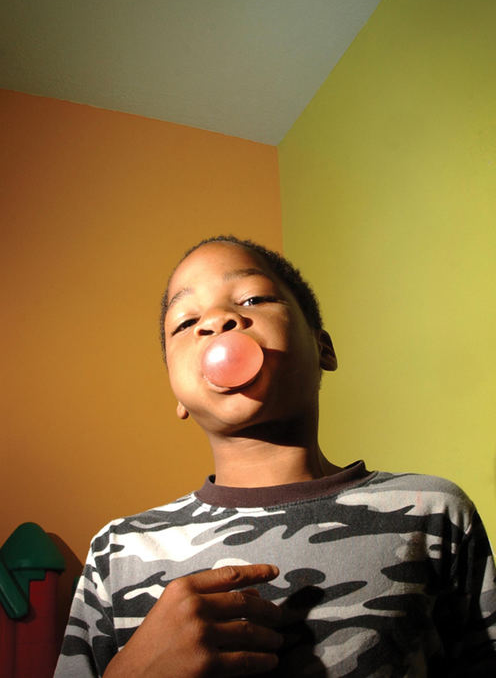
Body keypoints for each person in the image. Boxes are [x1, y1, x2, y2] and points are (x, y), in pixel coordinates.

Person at [55, 236, 496, 677]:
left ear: (323, 347)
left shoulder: (433, 511)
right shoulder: (118, 553)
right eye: (186, 321)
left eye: (252, 298)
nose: (217, 321)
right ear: (177, 392)